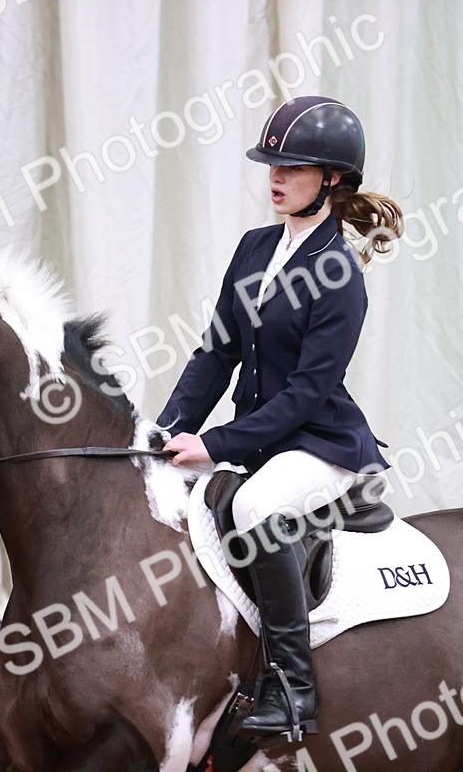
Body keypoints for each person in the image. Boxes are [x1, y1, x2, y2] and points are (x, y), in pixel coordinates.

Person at [156, 95, 402, 740]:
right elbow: (218, 350)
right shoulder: (254, 246)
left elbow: (307, 395)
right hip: (263, 439)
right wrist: (166, 427)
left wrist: (214, 444)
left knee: (255, 509)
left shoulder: (340, 273)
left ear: (332, 180)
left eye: (293, 167)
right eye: (273, 164)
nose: (276, 177)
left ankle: (293, 688)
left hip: (320, 443)